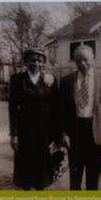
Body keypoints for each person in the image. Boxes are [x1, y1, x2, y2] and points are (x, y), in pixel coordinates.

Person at [59, 44, 101, 191]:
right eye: (78, 60)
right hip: (75, 132)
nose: (82, 64)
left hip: (96, 132)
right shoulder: (67, 81)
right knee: (75, 175)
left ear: (93, 58)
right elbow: (62, 111)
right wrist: (64, 133)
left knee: (94, 175)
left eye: (85, 60)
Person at [8, 48, 61, 190]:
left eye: (39, 60)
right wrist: (14, 134)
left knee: (42, 172)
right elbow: (12, 108)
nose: (36, 64)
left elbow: (56, 110)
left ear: (43, 63)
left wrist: (56, 137)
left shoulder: (50, 80)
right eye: (33, 60)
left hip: (45, 133)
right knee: (25, 170)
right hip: (25, 131)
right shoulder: (17, 79)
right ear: (26, 61)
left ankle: (39, 197)